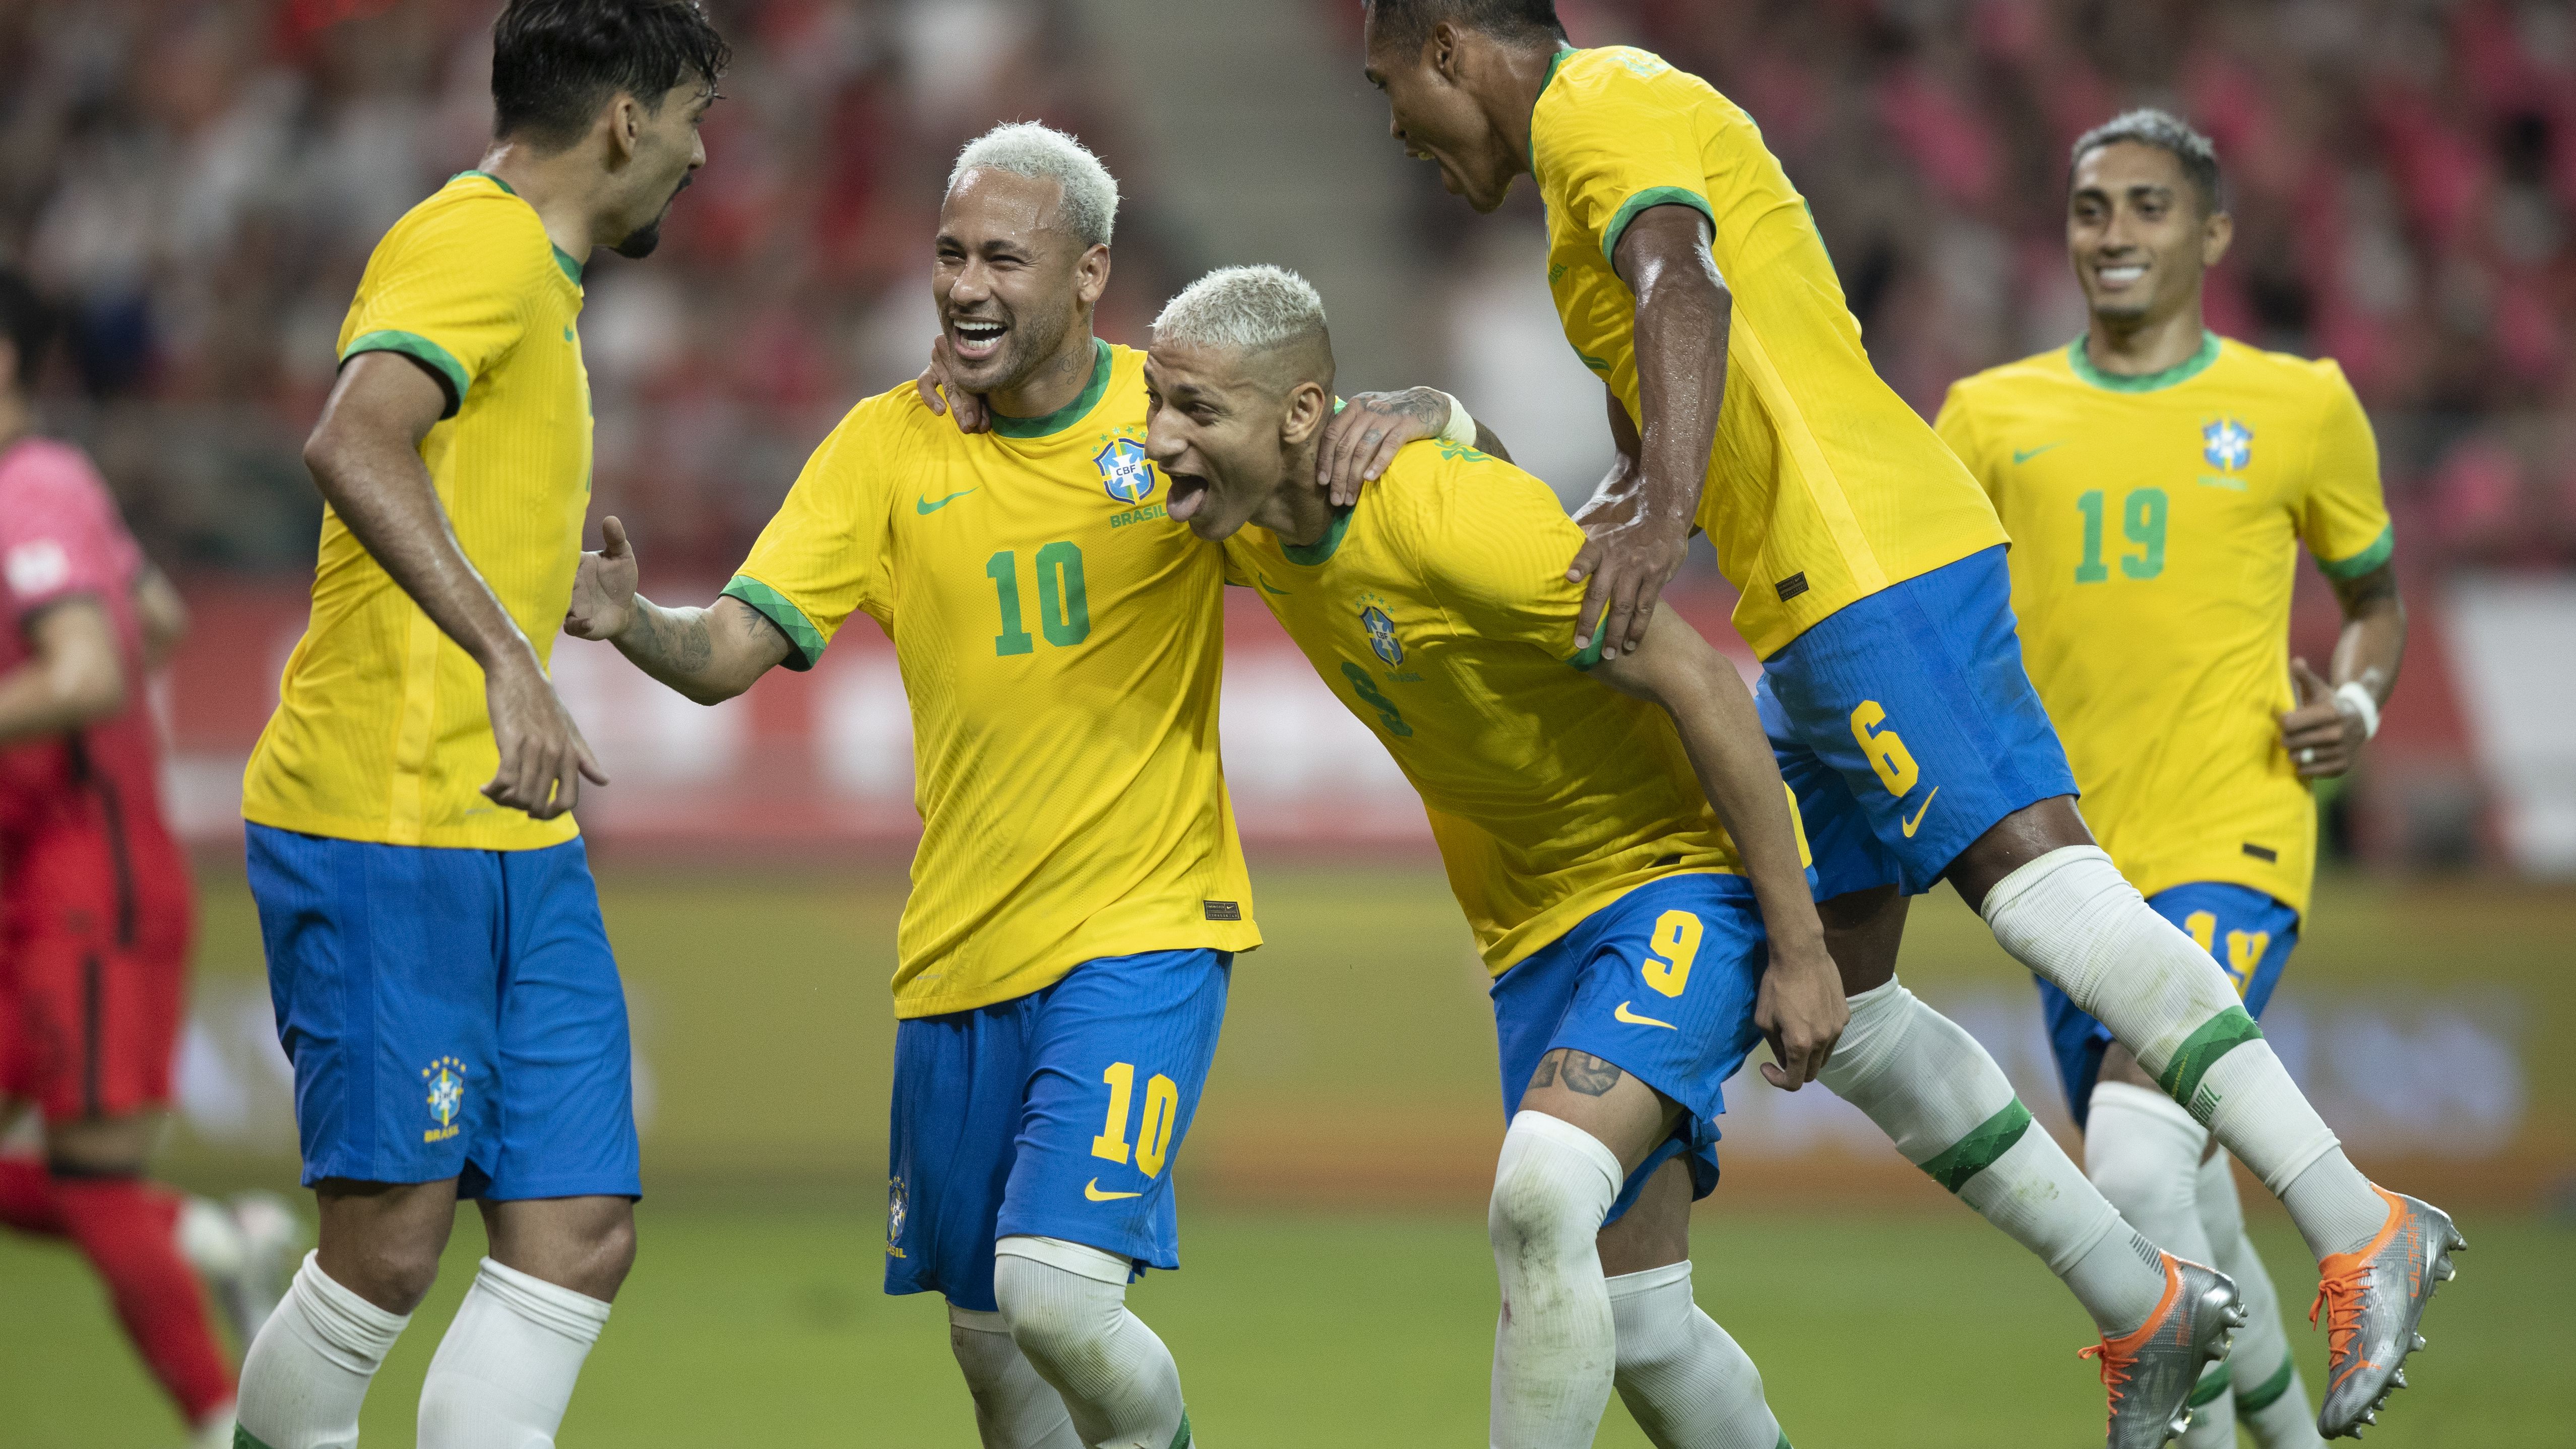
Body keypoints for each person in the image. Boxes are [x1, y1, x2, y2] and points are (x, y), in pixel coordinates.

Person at [1353, 2, 2459, 1441]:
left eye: (1392, 88)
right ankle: (2145, 1298)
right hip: (1807, 603)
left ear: (1449, 49)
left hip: (1873, 563)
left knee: (2044, 890)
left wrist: (1668, 510)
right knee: (1839, 995)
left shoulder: (1599, 107)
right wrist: (1614, 484)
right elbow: (1681, 372)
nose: (1394, 129)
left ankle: (2358, 1216)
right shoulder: (1580, 198)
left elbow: (1687, 290)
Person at [565, 122, 1261, 1449]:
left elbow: (1329, 481)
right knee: (991, 1349)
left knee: (1055, 1293)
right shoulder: (885, 447)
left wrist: (1427, 417)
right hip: (957, 955)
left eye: (1006, 255)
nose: (967, 284)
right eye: (950, 254)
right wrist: (634, 620)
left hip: (1144, 928)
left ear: (1090, 273)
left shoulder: (1172, 419)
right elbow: (729, 652)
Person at [1141, 262, 1852, 1448]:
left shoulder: (1436, 515)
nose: (1165, 439)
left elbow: (1697, 677)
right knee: (1647, 1329)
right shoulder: (1249, 526)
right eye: (1159, 404)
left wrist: (1800, 947)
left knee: (1535, 1203)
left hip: (1669, 882)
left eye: (1197, 412)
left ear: (1304, 413)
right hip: (1532, 938)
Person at [229, 4, 725, 1446]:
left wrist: (551, 601)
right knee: (386, 1250)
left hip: (514, 829)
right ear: (628, 119)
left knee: (577, 1230)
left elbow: (444, 472)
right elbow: (352, 434)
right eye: (692, 120)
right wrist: (510, 655)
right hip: (383, 818)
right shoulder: (482, 239)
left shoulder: (545, 283)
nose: (700, 159)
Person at [1936, 110, 2409, 1449]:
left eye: (2149, 208)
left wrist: (2361, 695)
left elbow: (2374, 595)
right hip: (2066, 865)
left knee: (2138, 1158)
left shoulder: (2300, 405)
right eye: (2093, 209)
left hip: (2234, 825)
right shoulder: (1987, 416)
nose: (2116, 235)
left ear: (2212, 236)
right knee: (2189, 1212)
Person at [0, 267, 301, 1448]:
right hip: (45, 873)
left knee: (89, 1173)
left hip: (88, 880)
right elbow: (157, 622)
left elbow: (89, 670)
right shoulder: (56, 490)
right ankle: (198, 1237)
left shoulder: (30, 492)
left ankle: (225, 1420)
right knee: (99, 1184)